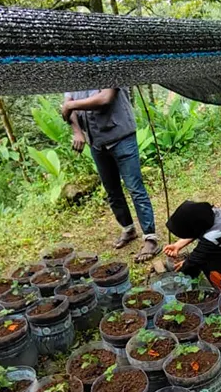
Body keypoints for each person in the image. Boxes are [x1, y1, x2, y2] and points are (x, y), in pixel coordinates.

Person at [62, 88, 160, 262]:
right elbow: (68, 111)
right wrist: (77, 131)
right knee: (112, 190)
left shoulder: (108, 64)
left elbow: (105, 98)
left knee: (135, 188)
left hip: (121, 136)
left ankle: (150, 238)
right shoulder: (73, 73)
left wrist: (70, 105)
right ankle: (128, 229)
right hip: (96, 142)